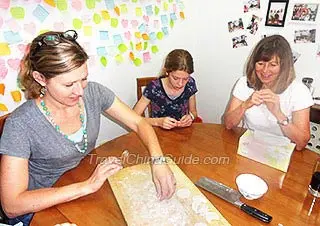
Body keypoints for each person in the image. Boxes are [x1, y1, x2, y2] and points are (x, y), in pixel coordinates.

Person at [0, 30, 176, 226]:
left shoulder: (93, 92)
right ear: (41, 78)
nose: (80, 91)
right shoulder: (20, 124)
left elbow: (139, 122)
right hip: (40, 209)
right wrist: (88, 186)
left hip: (82, 184)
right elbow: (12, 204)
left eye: (83, 78)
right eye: (69, 84)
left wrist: (159, 160)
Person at [223, 35, 313, 150]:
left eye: (273, 65)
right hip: (250, 146)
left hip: (282, 151)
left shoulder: (299, 91)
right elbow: (228, 124)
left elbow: (301, 143)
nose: (265, 70)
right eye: (260, 64)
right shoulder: (244, 83)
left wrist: (278, 113)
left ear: (284, 66)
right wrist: (246, 104)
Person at [133, 49, 198, 130]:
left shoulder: (190, 84)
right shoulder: (154, 87)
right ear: (167, 72)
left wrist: (191, 117)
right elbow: (134, 118)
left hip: (182, 132)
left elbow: (194, 112)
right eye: (175, 78)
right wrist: (158, 122)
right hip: (158, 132)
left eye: (185, 79)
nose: (180, 83)